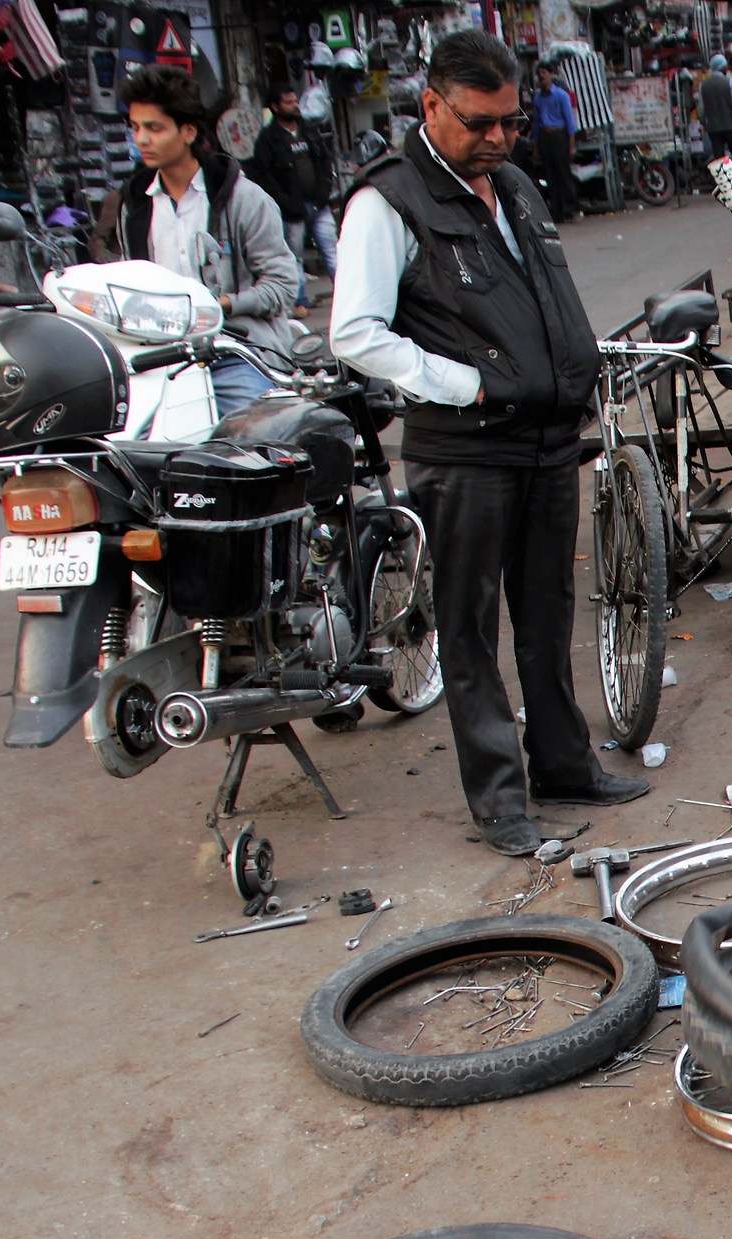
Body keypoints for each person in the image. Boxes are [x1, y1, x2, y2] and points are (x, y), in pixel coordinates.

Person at [331, 28, 648, 856]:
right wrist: (460, 383)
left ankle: (564, 765)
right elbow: (355, 332)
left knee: (547, 613)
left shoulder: (513, 185)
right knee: (469, 629)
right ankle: (500, 799)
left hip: (545, 438)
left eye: (512, 121)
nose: (500, 137)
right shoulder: (388, 201)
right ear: (432, 106)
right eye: (480, 123)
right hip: (465, 448)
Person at [97, 65, 298, 418]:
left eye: (154, 128)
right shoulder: (134, 205)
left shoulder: (243, 198)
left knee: (254, 432)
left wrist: (221, 305)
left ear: (188, 131)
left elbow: (282, 287)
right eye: (135, 127)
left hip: (234, 351)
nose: (141, 139)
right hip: (159, 359)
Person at [253, 88, 339, 310]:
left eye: (295, 101)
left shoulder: (309, 131)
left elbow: (325, 162)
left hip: (319, 204)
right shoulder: (268, 139)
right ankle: (300, 302)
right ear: (275, 107)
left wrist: (324, 194)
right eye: (288, 102)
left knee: (332, 250)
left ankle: (345, 296)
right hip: (292, 210)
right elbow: (266, 177)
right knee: (294, 257)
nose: (295, 105)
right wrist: (286, 203)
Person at [530, 64, 579, 222]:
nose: (542, 76)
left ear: (551, 75)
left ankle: (571, 209)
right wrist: (536, 147)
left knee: (563, 173)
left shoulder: (561, 96)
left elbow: (570, 121)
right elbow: (536, 124)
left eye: (544, 73)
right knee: (550, 175)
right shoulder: (537, 98)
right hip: (545, 136)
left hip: (559, 135)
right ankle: (557, 212)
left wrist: (571, 145)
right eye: (539, 74)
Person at [699, 53, 732, 168]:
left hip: (713, 128)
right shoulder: (729, 82)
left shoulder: (703, 85)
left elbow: (701, 109)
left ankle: (722, 177)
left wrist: (704, 122)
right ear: (722, 67)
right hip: (731, 126)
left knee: (719, 158)